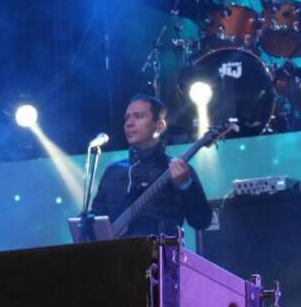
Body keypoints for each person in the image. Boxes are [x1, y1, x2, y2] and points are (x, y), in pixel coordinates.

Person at [90, 95, 212, 238]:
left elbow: (202, 221)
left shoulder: (178, 170)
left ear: (159, 126)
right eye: (127, 118)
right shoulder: (113, 172)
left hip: (161, 251)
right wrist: (86, 223)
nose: (129, 123)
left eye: (138, 116)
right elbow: (97, 220)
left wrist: (186, 185)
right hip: (117, 252)